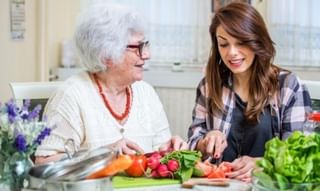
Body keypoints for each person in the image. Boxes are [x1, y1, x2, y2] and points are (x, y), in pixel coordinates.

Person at [35, 2, 187, 164]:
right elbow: (44, 162)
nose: (147, 55)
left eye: (146, 45)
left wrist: (170, 149)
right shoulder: (73, 95)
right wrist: (103, 154)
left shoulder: (146, 92)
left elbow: (159, 152)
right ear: (106, 55)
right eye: (138, 47)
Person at [187, 2, 312, 182]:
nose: (232, 53)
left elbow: (299, 154)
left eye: (241, 42)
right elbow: (191, 144)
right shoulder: (209, 85)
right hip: (219, 185)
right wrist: (205, 140)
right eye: (223, 44)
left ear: (257, 40)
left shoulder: (288, 86)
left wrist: (262, 163)